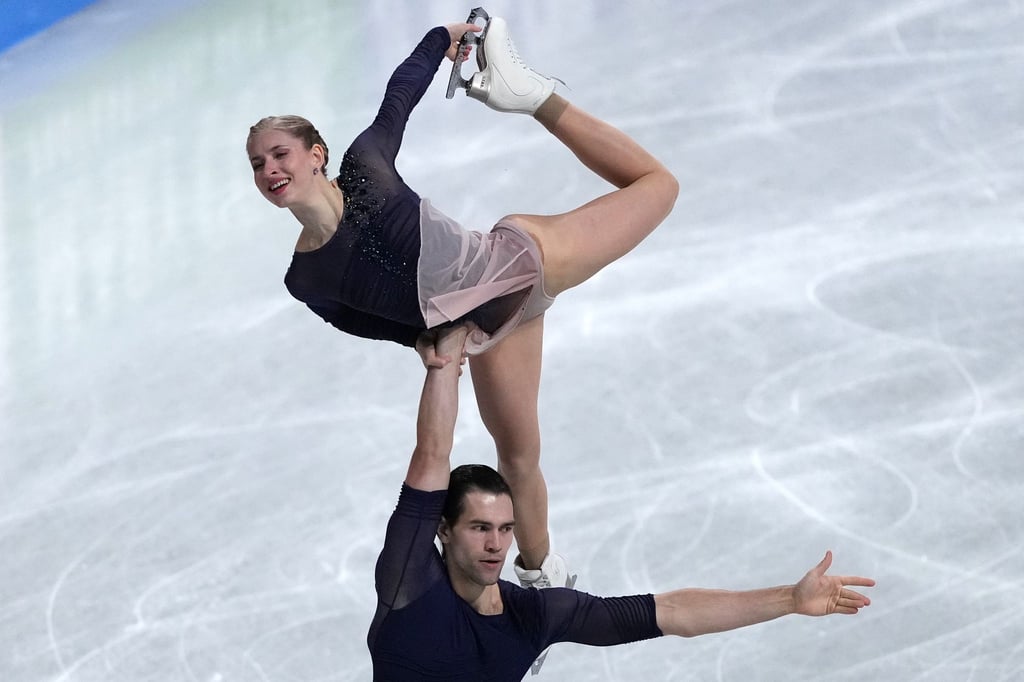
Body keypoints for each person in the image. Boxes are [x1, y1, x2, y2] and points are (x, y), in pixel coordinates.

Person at [246, 15, 679, 585]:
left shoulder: (366, 166)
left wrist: (441, 38)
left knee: (658, 186)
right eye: (258, 164)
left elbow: (399, 93)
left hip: (523, 263)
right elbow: (365, 320)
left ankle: (535, 98)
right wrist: (427, 338)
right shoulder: (305, 279)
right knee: (519, 458)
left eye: (279, 154)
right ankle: (542, 577)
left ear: (317, 154)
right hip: (490, 333)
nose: (270, 169)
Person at [368, 324, 875, 680]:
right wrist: (443, 362)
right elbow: (432, 454)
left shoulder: (533, 615)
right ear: (443, 529)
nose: (498, 544)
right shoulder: (409, 583)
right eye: (480, 528)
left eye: (505, 528)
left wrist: (788, 599)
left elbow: (671, 612)